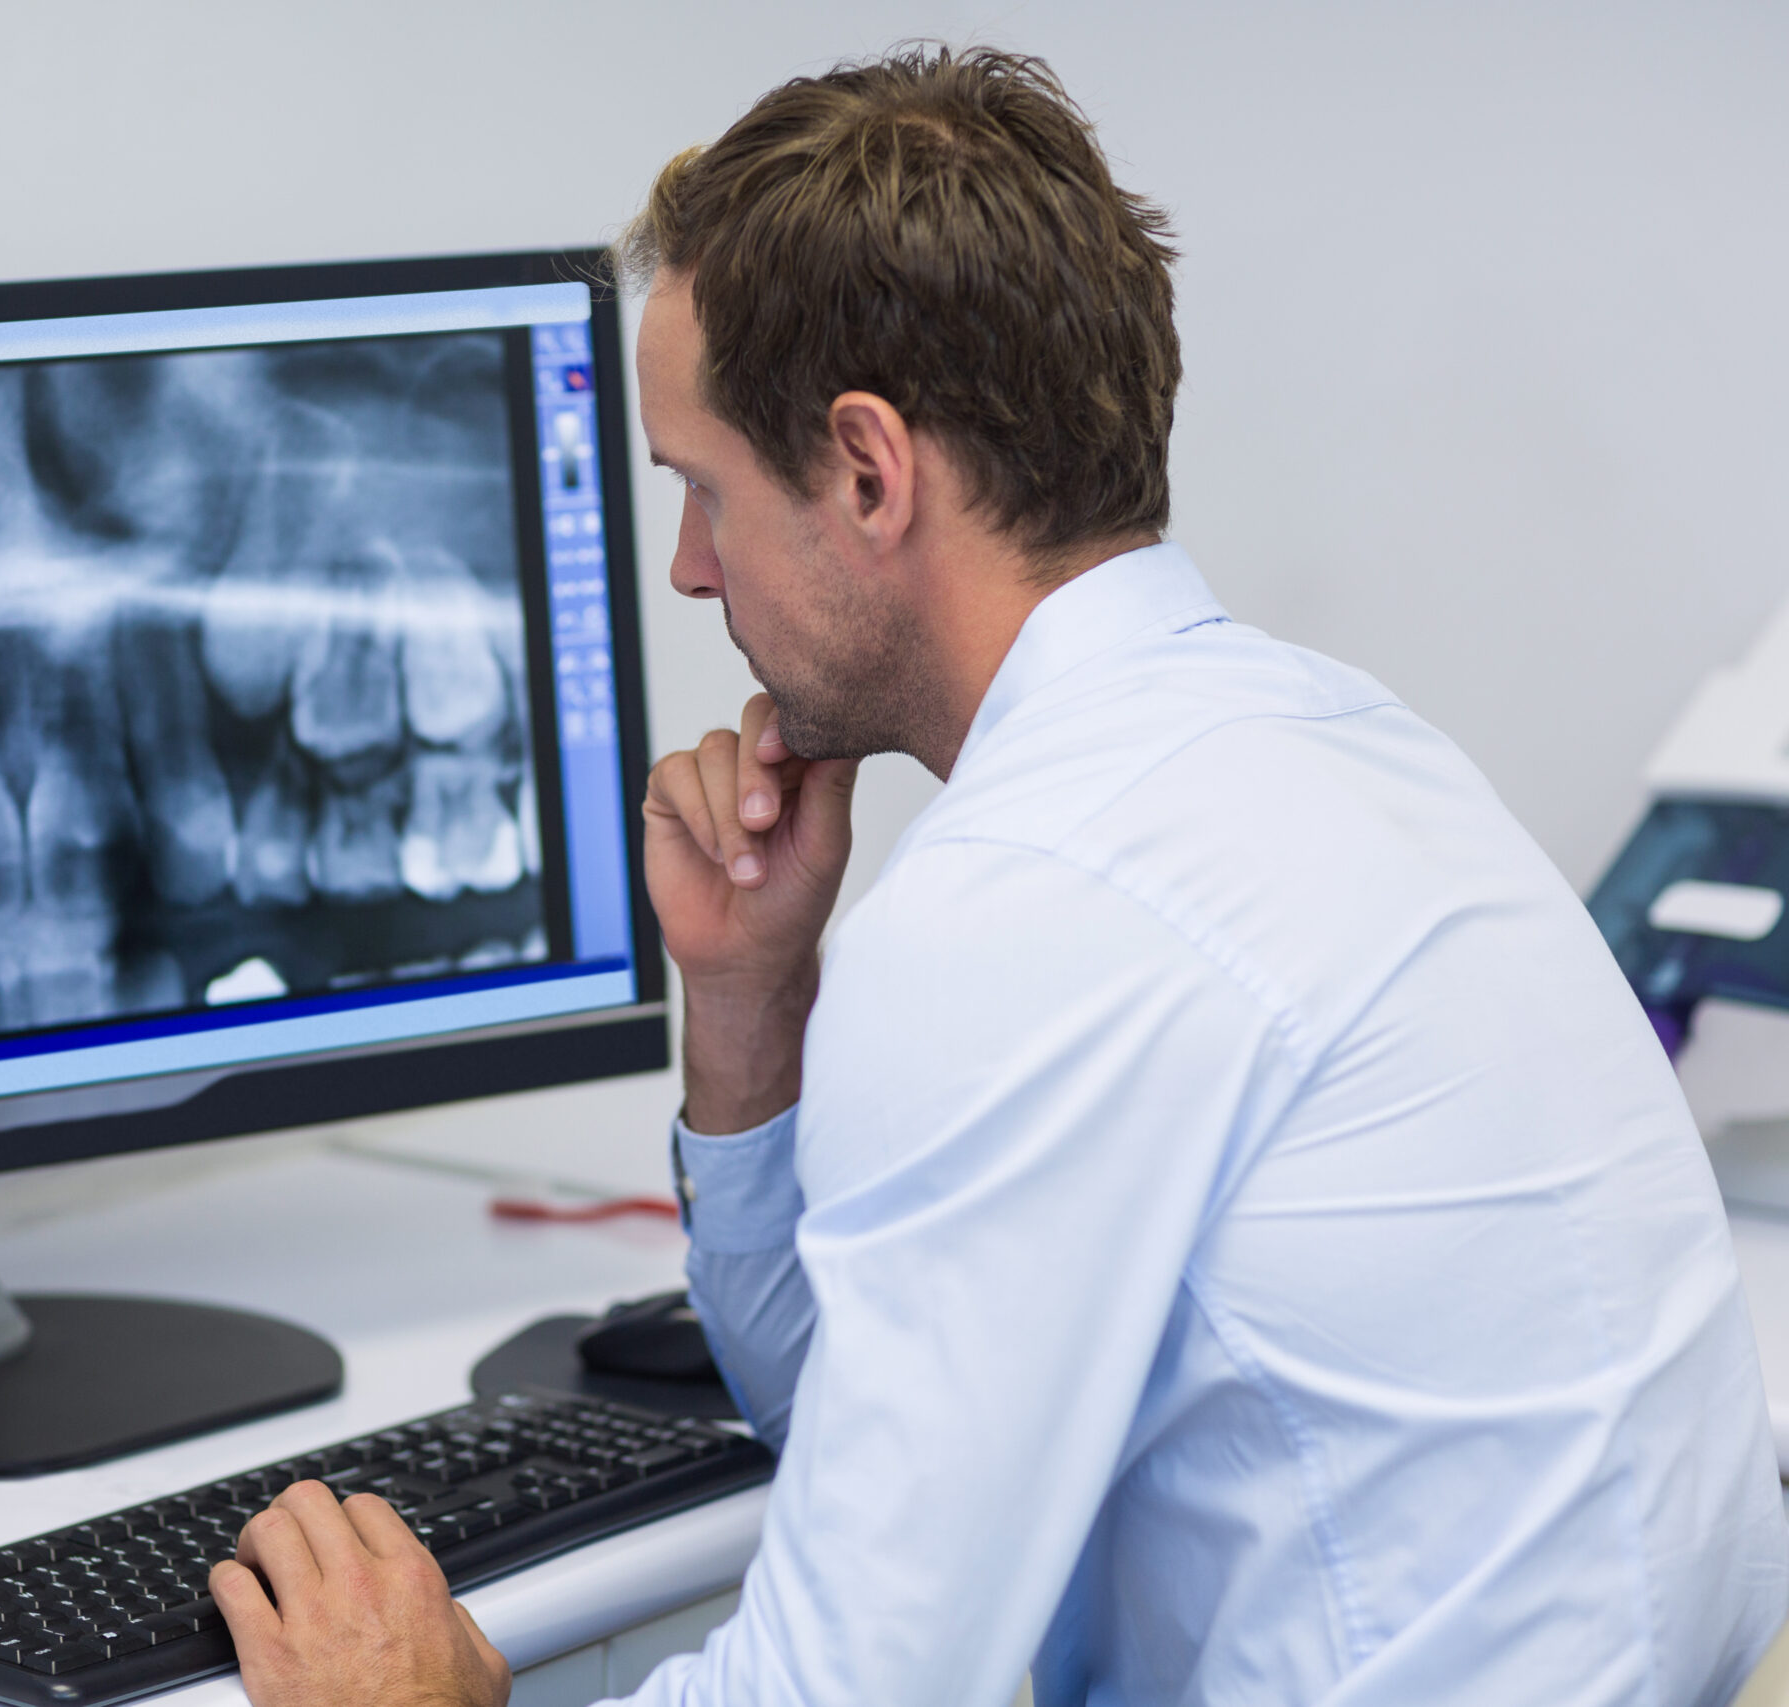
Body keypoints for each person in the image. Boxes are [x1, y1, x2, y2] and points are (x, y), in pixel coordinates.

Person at [206, 45, 1789, 1707]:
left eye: (703, 489)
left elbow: (862, 1689)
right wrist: (749, 1008)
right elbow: (870, 1444)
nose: (687, 569)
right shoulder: (1338, 744)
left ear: (871, 472)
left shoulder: (1028, 909)